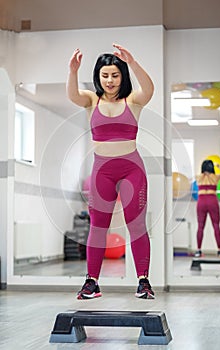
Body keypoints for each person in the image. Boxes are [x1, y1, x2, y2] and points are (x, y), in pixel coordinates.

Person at [67, 43, 155, 299]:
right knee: (98, 226)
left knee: (136, 224)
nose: (110, 80)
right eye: (105, 75)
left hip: (131, 170)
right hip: (101, 172)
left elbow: (149, 89)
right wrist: (72, 71)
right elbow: (72, 95)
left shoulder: (133, 100)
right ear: (98, 76)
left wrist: (133, 61)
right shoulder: (91, 100)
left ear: (122, 76)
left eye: (115, 75)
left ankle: (143, 281)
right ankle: (92, 282)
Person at [194, 159, 220, 258]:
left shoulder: (198, 177)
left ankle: (198, 250)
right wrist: (219, 166)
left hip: (201, 201)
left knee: (200, 226)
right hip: (212, 200)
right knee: (216, 225)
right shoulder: (215, 177)